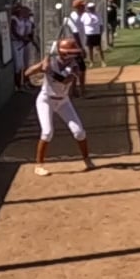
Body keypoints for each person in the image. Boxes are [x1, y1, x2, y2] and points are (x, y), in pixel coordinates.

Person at [26, 39, 95, 177]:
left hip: (63, 101)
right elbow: (27, 73)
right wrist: (41, 66)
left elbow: (65, 80)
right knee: (47, 132)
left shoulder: (75, 65)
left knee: (79, 132)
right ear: (63, 53)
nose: (74, 55)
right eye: (71, 53)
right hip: (46, 100)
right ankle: (39, 165)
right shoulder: (50, 61)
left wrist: (49, 72)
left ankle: (87, 159)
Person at [9, 5, 38, 92]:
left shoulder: (25, 19)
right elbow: (14, 31)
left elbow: (29, 31)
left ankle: (25, 83)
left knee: (23, 65)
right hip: (16, 43)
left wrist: (29, 39)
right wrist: (23, 38)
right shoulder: (14, 19)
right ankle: (18, 85)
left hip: (22, 43)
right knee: (18, 66)